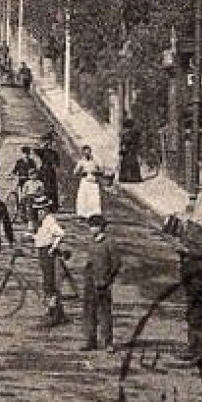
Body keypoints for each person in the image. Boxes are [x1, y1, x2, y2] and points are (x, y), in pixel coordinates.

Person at [175, 217, 202, 360]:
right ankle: (193, 349)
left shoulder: (201, 248)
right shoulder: (198, 247)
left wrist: (186, 251)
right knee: (192, 318)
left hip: (200, 288)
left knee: (200, 319)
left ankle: (201, 353)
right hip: (194, 286)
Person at [79, 214, 121, 352]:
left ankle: (108, 342)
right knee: (89, 312)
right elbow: (89, 261)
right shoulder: (92, 242)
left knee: (104, 313)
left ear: (101, 227)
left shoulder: (109, 243)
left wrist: (108, 279)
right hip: (90, 282)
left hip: (103, 282)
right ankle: (91, 340)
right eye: (90, 226)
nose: (92, 229)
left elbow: (116, 263)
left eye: (94, 226)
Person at [32, 195, 67, 327]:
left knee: (49, 282)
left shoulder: (49, 220)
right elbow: (42, 236)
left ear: (46, 209)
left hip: (47, 253)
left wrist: (53, 247)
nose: (39, 213)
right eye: (38, 210)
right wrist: (32, 236)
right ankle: (59, 312)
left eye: (42, 210)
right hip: (42, 251)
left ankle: (53, 313)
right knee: (47, 281)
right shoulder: (43, 221)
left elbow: (61, 233)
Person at [74, 145, 104, 221]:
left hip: (94, 182)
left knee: (94, 198)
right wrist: (81, 173)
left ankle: (94, 215)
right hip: (85, 182)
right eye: (85, 153)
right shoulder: (81, 161)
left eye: (88, 153)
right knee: (83, 198)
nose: (87, 155)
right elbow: (75, 172)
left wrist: (96, 172)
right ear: (83, 153)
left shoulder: (96, 161)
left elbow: (102, 171)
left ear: (90, 152)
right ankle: (82, 215)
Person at [118, 117, 143, 184]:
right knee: (132, 162)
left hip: (128, 149)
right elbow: (137, 141)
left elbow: (122, 142)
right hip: (131, 150)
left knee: (126, 163)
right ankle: (134, 178)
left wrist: (121, 149)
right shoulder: (134, 132)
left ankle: (125, 177)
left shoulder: (125, 133)